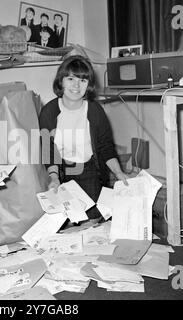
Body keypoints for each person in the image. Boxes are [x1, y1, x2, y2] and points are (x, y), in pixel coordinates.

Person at [39, 55, 128, 224]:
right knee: (64, 223)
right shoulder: (48, 112)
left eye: (83, 80)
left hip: (88, 170)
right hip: (60, 170)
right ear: (61, 81)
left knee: (91, 222)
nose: (76, 86)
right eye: (70, 78)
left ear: (88, 86)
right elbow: (48, 150)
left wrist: (119, 173)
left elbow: (105, 147)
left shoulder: (95, 111)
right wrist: (54, 178)